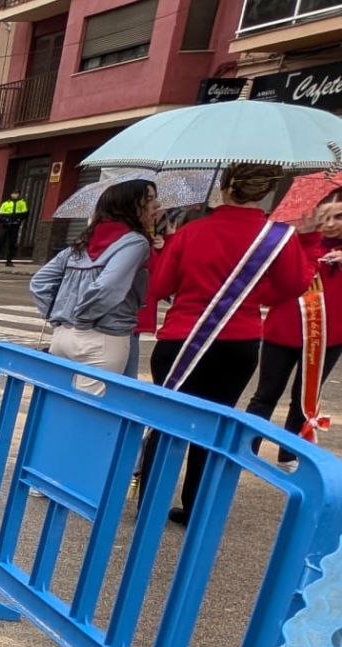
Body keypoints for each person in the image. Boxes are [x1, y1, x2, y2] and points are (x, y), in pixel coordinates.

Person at [142, 163, 311, 525]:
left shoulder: (191, 232)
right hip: (238, 342)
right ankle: (195, 509)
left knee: (167, 420)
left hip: (181, 338)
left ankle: (148, 506)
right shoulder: (278, 236)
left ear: (224, 189)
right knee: (215, 424)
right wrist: (255, 297)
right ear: (266, 192)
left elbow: (158, 288)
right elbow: (296, 284)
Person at [29, 179, 156, 385]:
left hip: (63, 337)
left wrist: (57, 317)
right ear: (130, 206)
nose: (157, 205)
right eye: (150, 199)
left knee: (58, 404)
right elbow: (107, 287)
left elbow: (39, 282)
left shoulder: (83, 240)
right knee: (94, 410)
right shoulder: (135, 242)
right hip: (102, 339)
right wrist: (82, 322)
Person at [249, 198, 342, 464]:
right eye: (325, 216)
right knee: (265, 394)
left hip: (327, 338)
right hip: (283, 332)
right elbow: (267, 290)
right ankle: (247, 448)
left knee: (304, 400)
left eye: (339, 217)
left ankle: (289, 455)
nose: (331, 224)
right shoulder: (294, 245)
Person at [0, 190, 29, 267]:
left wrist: (18, 220)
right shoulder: (5, 203)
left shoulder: (22, 203)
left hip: (15, 226)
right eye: (14, 193)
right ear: (11, 194)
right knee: (0, 242)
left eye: (17, 193)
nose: (15, 195)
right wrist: (6, 220)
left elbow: (25, 214)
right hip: (5, 226)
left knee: (12, 244)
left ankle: (9, 261)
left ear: (19, 194)